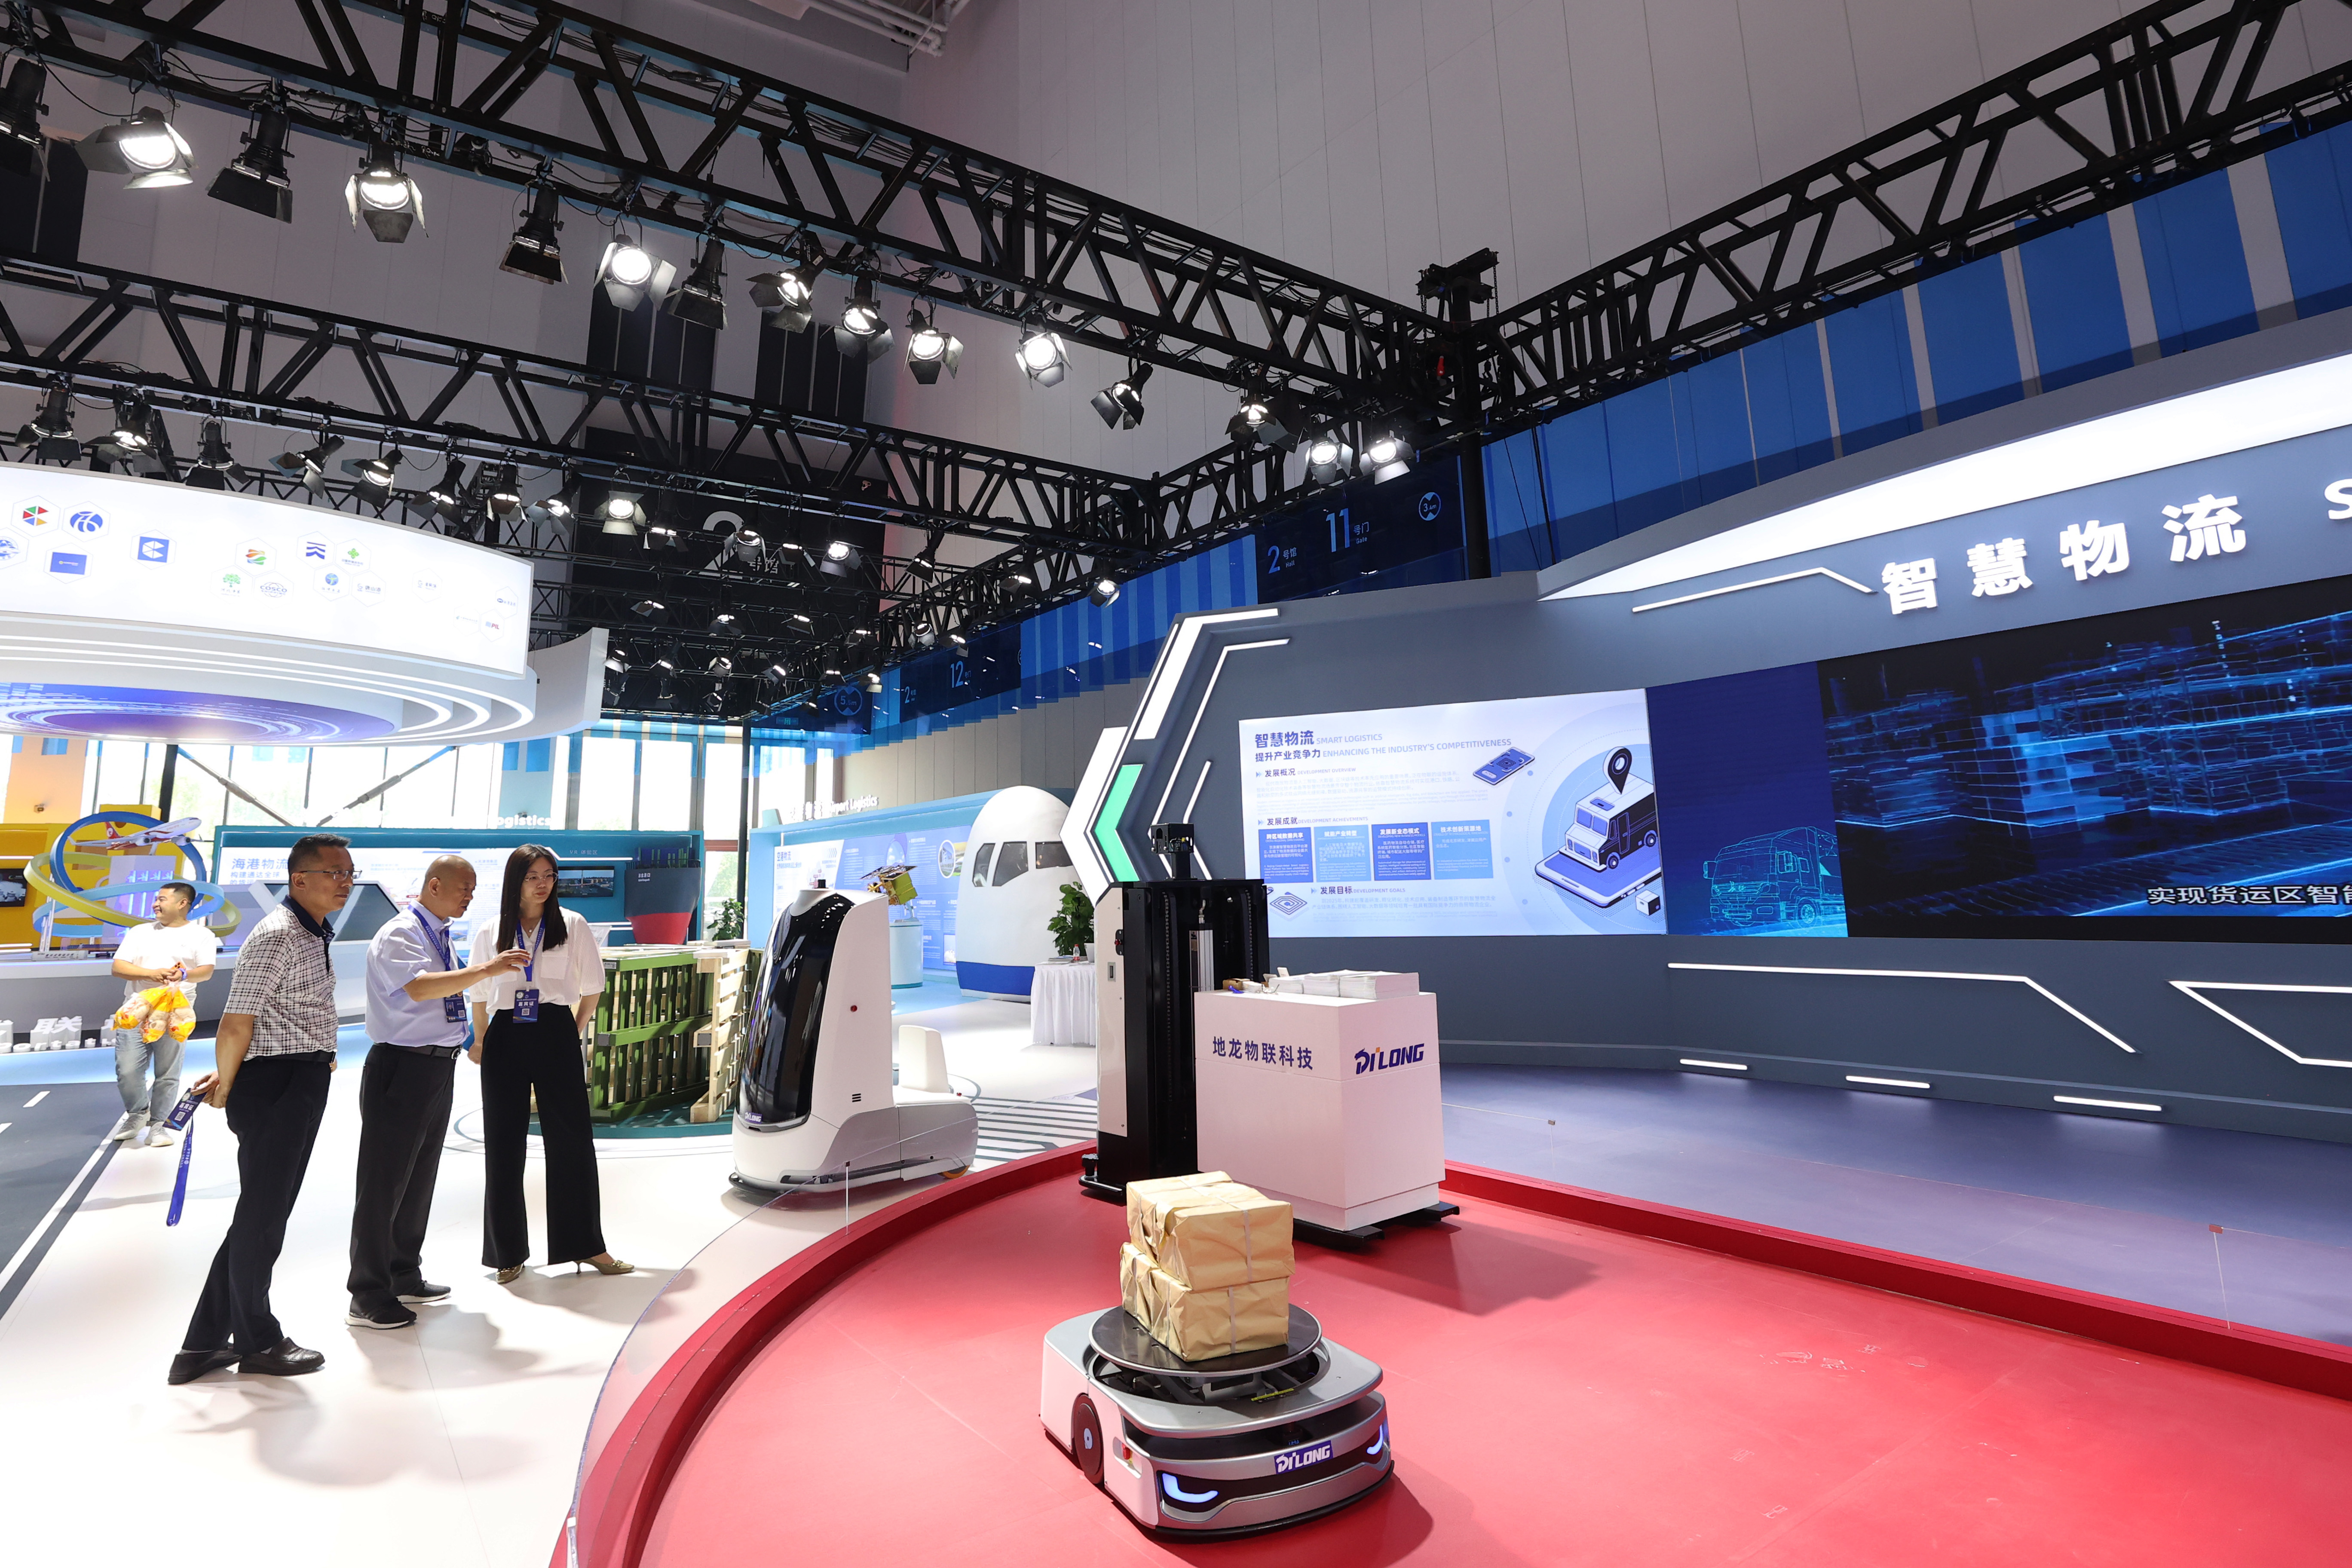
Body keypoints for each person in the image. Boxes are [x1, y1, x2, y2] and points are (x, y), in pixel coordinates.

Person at [169, 834, 352, 1386]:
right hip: (276, 1086)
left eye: (349, 872)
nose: (345, 881)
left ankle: (202, 1345)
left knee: (261, 1215)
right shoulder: (277, 934)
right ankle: (259, 1341)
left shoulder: (312, 931)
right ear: (300, 880)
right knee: (263, 1219)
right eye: (335, 872)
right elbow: (236, 1020)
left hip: (299, 1078)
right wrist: (227, 1081)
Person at [346, 857, 531, 1331]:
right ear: (434, 885)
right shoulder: (402, 933)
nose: (470, 896)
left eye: (473, 889)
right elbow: (420, 989)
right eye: (464, 888)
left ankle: (403, 1272)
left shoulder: (439, 933)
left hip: (435, 1065)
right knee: (384, 1182)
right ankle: (367, 1294)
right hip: (401, 1065)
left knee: (418, 1176)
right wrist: (486, 968)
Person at [469, 845, 632, 1283]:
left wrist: (571, 1031)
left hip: (556, 1028)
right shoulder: (491, 930)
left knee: (572, 1139)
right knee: (503, 1143)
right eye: (533, 876)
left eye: (549, 876)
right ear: (515, 881)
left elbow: (592, 986)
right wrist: (481, 1040)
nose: (543, 884)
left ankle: (587, 1245)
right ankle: (506, 1252)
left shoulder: (572, 925)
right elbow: (479, 995)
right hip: (505, 1034)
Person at [109, 880, 218, 1148]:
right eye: (156, 899)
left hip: (176, 1012)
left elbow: (206, 971)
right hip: (136, 1009)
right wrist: (152, 974)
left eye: (162, 899)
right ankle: (137, 1114)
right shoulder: (140, 932)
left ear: (183, 903)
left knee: (168, 1072)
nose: (155, 904)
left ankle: (159, 1125)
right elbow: (118, 967)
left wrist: (184, 974)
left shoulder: (202, 935)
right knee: (127, 1069)